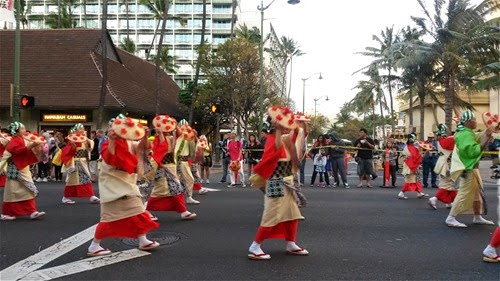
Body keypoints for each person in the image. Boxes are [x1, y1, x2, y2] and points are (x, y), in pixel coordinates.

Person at [87, 116, 159, 256]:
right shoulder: (107, 143)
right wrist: (113, 140)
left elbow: (143, 149)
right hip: (113, 185)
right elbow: (110, 157)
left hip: (127, 182)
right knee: (108, 218)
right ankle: (94, 245)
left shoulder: (130, 143)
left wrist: (145, 136)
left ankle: (142, 240)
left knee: (138, 212)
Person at [248, 106, 307, 260]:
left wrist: (296, 126)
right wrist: (279, 127)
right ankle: (255, 246)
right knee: (272, 214)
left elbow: (298, 149)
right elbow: (271, 157)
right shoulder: (272, 140)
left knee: (292, 214)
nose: (288, 127)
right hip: (275, 182)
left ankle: (290, 243)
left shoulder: (286, 140)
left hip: (287, 181)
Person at [445, 110, 495, 227]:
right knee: (464, 192)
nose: (476, 122)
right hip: (467, 168)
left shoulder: (466, 132)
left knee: (477, 193)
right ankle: (451, 217)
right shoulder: (464, 134)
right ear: (468, 122)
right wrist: (486, 137)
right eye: (474, 120)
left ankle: (477, 216)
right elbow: (472, 151)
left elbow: (477, 136)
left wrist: (487, 133)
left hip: (471, 168)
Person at [147, 115, 197, 220]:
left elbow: (180, 135)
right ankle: (145, 210)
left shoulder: (171, 137)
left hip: (171, 167)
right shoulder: (157, 139)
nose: (168, 129)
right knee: (161, 190)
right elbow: (162, 148)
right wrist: (160, 133)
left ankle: (183, 211)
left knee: (177, 189)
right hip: (162, 168)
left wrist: (175, 125)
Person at [1, 122, 46, 220]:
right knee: (12, 193)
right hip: (15, 169)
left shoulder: (23, 139)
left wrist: (37, 145)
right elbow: (17, 150)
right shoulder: (13, 141)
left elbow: (28, 148)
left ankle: (32, 211)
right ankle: (6, 213)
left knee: (28, 191)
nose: (24, 130)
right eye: (22, 129)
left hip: (23, 168)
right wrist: (32, 145)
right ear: (16, 131)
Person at [60, 123, 100, 204]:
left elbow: (90, 147)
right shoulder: (72, 138)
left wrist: (88, 144)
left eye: (82, 128)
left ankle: (91, 195)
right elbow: (68, 150)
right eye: (80, 129)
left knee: (86, 178)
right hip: (75, 161)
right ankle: (65, 197)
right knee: (71, 180)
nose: (82, 130)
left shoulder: (85, 139)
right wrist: (73, 146)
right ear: (76, 130)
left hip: (83, 161)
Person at [428, 124, 457, 210]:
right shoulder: (448, 140)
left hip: (442, 163)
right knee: (447, 184)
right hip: (447, 165)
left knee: (449, 184)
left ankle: (449, 202)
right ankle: (434, 199)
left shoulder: (439, 141)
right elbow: (455, 140)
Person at [398, 133, 428, 199]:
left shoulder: (409, 147)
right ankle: (401, 193)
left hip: (411, 165)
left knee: (417, 180)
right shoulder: (410, 148)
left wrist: (420, 150)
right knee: (409, 181)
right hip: (410, 166)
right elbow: (416, 157)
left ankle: (419, 192)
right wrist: (423, 152)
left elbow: (416, 155)